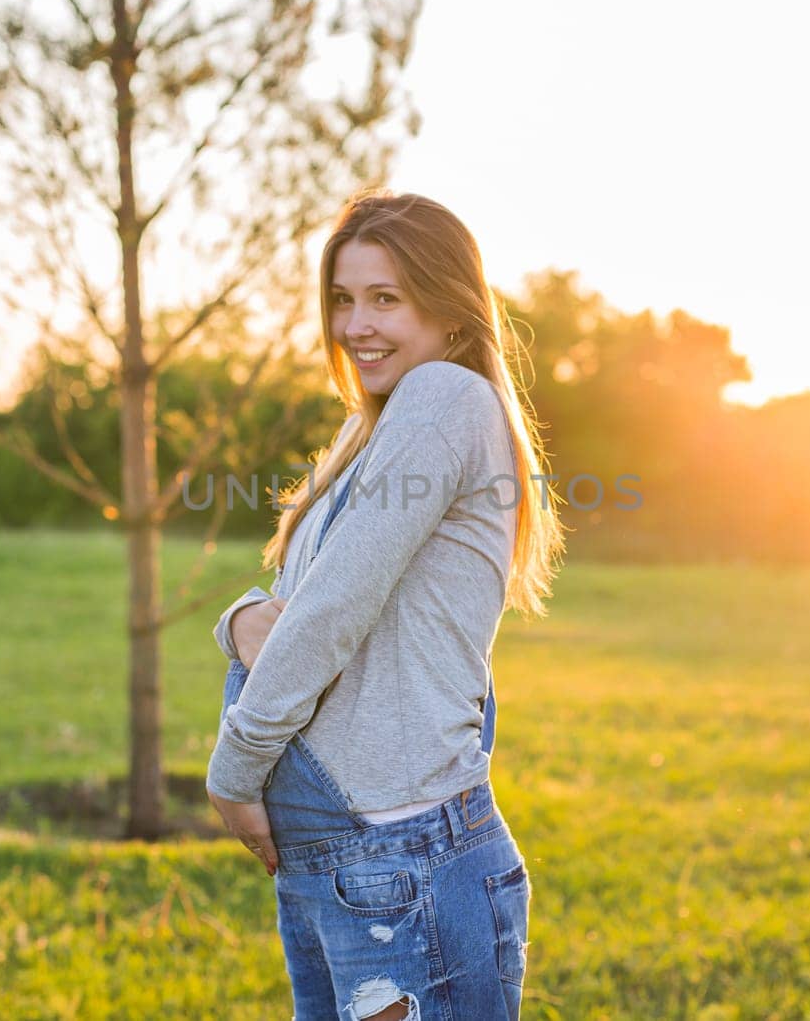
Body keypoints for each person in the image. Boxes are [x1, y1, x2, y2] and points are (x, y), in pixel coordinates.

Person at [205, 189, 566, 1021]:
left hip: (399, 851)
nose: (355, 324)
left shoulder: (444, 398)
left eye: (385, 298)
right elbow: (305, 599)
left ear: (449, 310)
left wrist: (235, 766)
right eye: (342, 298)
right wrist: (240, 621)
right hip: (344, 854)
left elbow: (328, 609)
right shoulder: (369, 425)